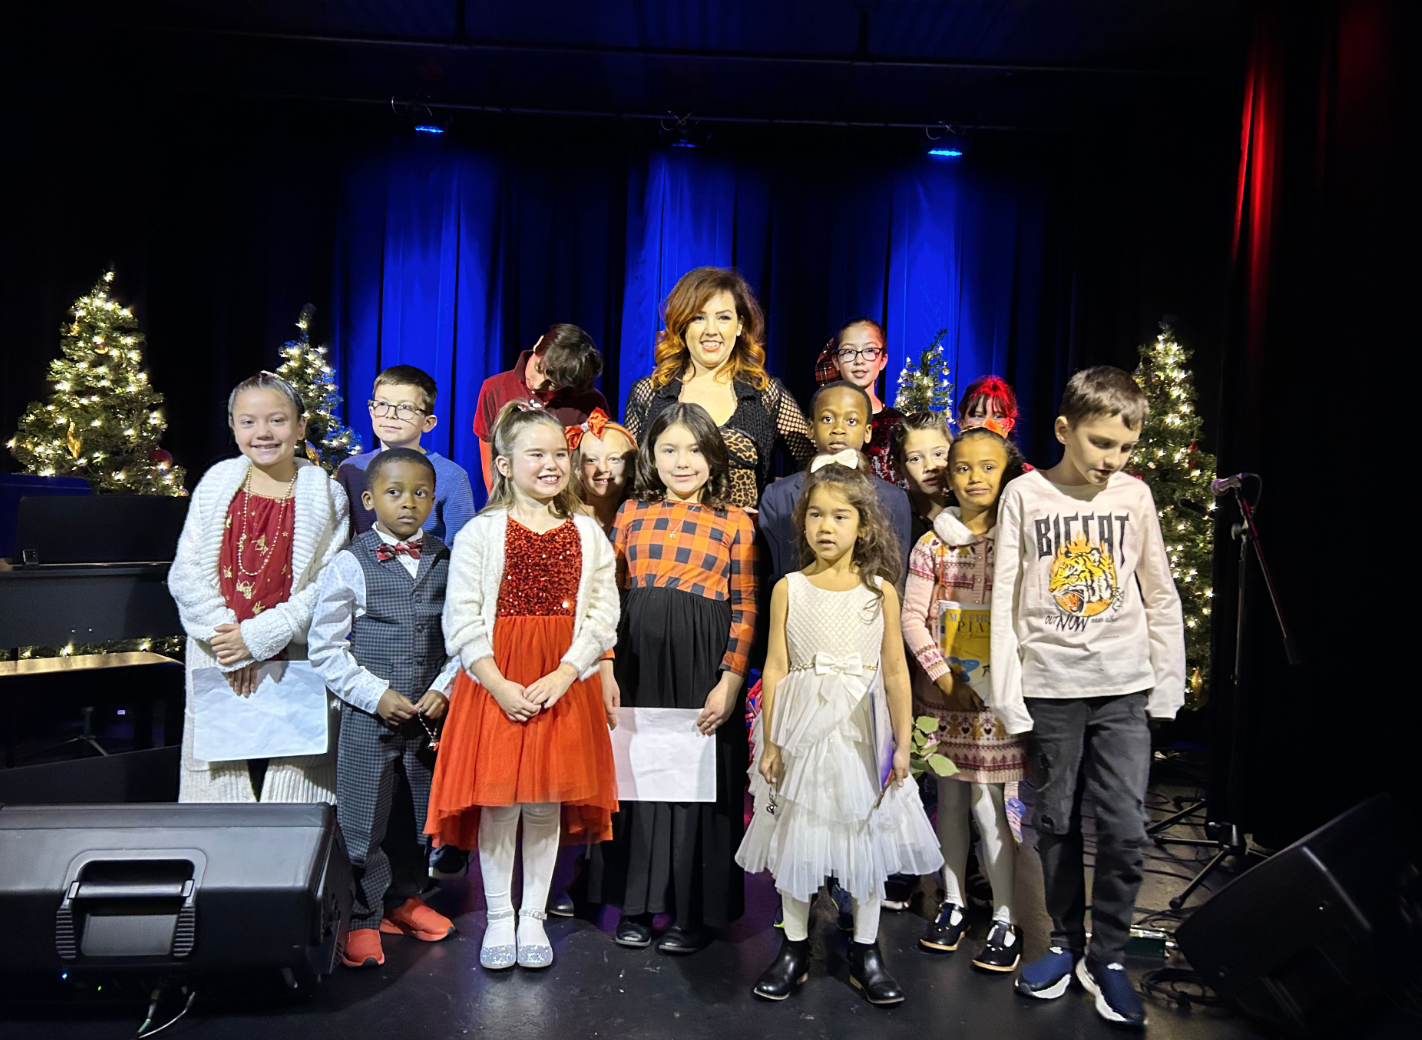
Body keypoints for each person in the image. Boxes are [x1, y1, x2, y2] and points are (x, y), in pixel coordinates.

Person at [991, 366, 1185, 1029]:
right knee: (1054, 821)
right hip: (1051, 688)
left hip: (1124, 687)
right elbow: (1005, 599)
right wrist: (1008, 694)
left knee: (1126, 826)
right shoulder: (1025, 495)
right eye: (1101, 443)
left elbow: (1159, 592)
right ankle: (1066, 944)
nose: (1113, 460)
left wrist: (1166, 685)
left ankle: (1108, 958)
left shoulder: (1134, 496)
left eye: (1125, 447)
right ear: (1063, 429)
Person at [737, 462, 941, 1006]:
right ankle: (794, 947)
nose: (826, 526)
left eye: (840, 516)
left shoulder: (880, 592)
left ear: (863, 526)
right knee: (797, 837)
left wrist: (902, 744)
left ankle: (866, 951)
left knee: (862, 841)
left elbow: (895, 672)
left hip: (859, 735)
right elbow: (776, 667)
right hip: (801, 733)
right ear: (802, 522)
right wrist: (771, 740)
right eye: (815, 515)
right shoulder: (789, 588)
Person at [426, 402, 620, 972]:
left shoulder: (587, 532)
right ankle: (499, 915)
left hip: (561, 682)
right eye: (537, 454)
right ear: (506, 464)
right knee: (499, 802)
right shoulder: (481, 532)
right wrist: (496, 683)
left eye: (560, 454)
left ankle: (532, 915)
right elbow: (461, 619)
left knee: (543, 803)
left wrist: (567, 672)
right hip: (496, 682)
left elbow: (603, 614)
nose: (552, 464)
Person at [587, 403, 758, 954]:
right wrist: (606, 664)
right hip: (637, 664)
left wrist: (730, 680)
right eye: (669, 450)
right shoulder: (631, 513)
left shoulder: (736, 521)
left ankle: (692, 912)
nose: (682, 462)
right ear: (651, 457)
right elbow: (607, 596)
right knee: (640, 779)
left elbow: (746, 606)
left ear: (713, 456)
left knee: (696, 785)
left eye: (695, 449)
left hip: (702, 666)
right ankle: (636, 905)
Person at [308, 448, 459, 969]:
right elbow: (326, 647)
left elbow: (462, 638)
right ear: (370, 500)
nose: (408, 503)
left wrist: (445, 687)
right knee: (364, 818)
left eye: (420, 493)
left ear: (433, 500)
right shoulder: (350, 561)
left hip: (429, 719)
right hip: (370, 718)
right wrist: (375, 695)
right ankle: (362, 916)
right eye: (394, 493)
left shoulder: (446, 559)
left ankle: (404, 901)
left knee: (419, 817)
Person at [168, 372, 348, 802]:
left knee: (299, 769)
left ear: (300, 427)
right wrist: (231, 643)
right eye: (248, 422)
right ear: (233, 427)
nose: (263, 433)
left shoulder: (328, 495)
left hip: (295, 655)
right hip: (219, 652)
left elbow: (328, 585)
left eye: (277, 420)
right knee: (218, 769)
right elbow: (186, 573)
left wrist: (260, 637)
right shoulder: (216, 484)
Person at [901, 425, 1028, 973]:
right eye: (962, 467)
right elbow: (912, 616)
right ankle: (953, 902)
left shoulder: (1020, 542)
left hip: (996, 699)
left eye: (988, 466)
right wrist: (943, 677)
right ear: (948, 477)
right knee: (950, 799)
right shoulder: (932, 544)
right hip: (946, 697)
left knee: (990, 805)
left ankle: (1005, 916)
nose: (975, 477)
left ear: (1008, 473)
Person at [622, 267, 814, 509]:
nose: (711, 330)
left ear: (740, 325)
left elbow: (812, 467)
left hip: (744, 532)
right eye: (698, 318)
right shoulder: (649, 393)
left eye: (723, 318)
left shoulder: (766, 393)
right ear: (682, 325)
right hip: (664, 529)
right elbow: (629, 476)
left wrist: (774, 510)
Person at [759, 381, 911, 591]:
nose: (838, 429)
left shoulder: (893, 499)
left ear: (867, 431)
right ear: (810, 428)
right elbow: (771, 574)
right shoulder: (777, 496)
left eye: (851, 421)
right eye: (827, 419)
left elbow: (896, 579)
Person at [335, 364, 476, 544]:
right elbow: (340, 539)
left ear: (428, 423)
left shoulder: (452, 476)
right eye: (382, 404)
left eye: (406, 408)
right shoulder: (351, 469)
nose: (391, 415)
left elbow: (463, 549)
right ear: (372, 411)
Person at [473, 324, 609, 494]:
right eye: (538, 369)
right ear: (538, 345)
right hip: (514, 498)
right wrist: (496, 495)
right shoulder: (495, 388)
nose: (537, 384)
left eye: (552, 384)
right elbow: (488, 445)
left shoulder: (591, 402)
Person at [818, 318, 905, 484]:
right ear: (836, 361)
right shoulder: (822, 422)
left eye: (869, 350)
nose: (859, 360)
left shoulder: (898, 425)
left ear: (883, 360)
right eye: (849, 352)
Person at [892, 410, 955, 551]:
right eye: (915, 459)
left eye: (938, 454)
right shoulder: (894, 519)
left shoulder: (970, 509)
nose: (930, 466)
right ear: (898, 468)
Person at [568, 408, 637, 535]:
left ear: (631, 467)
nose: (603, 468)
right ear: (578, 469)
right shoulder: (566, 520)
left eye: (613, 459)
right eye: (591, 460)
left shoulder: (639, 518)